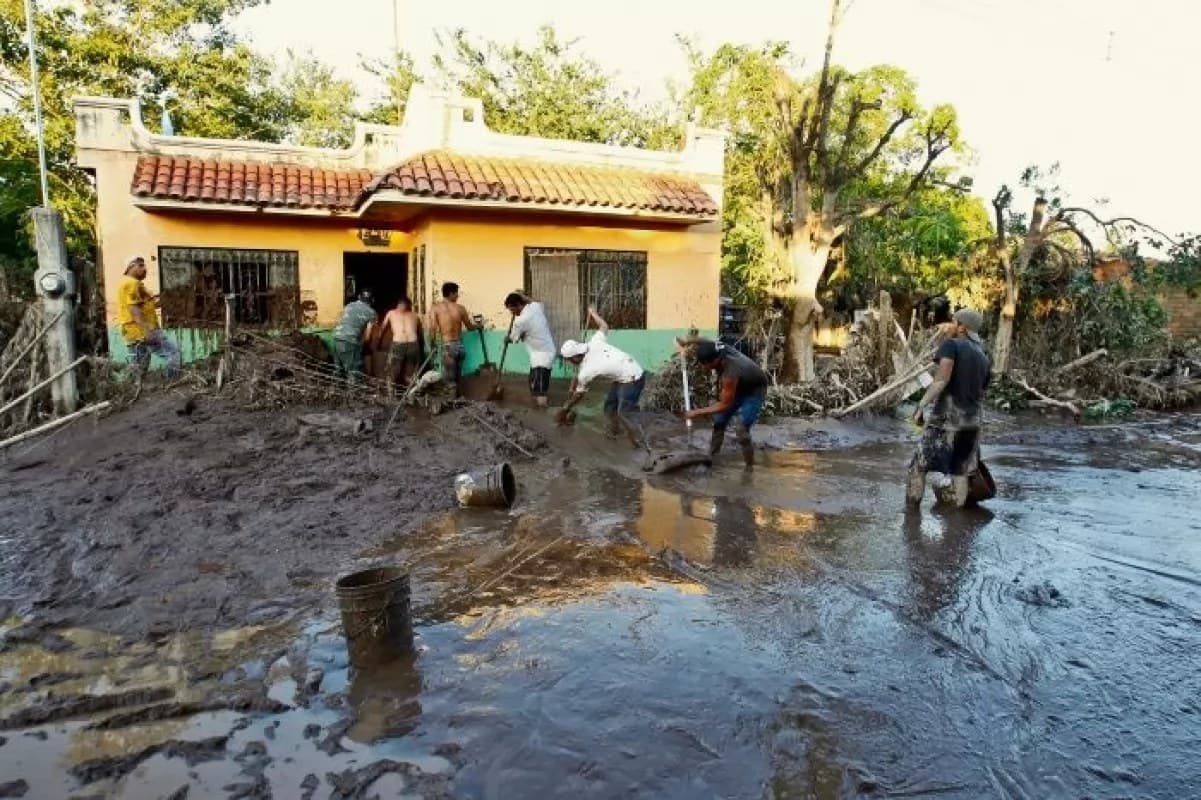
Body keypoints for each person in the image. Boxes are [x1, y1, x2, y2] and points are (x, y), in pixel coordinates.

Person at [907, 307, 993, 508]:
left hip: (947, 418)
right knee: (960, 472)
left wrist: (921, 406)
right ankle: (957, 528)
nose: (951, 326)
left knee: (918, 467)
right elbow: (982, 389)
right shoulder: (984, 355)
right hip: (972, 422)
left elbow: (941, 380)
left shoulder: (952, 345)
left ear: (962, 327)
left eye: (955, 322)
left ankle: (910, 519)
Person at [557, 306, 645, 447]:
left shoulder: (587, 371)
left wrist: (566, 407)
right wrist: (593, 314)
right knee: (609, 408)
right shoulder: (594, 342)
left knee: (624, 413)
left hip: (633, 377)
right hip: (624, 373)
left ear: (574, 357)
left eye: (567, 360)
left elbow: (578, 395)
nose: (567, 362)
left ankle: (639, 444)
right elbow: (604, 326)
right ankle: (614, 433)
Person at [677, 336, 768, 468]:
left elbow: (725, 404)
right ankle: (712, 457)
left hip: (754, 390)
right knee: (719, 421)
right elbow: (703, 340)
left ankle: (749, 468)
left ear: (716, 360)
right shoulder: (715, 347)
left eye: (705, 365)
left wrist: (696, 412)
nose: (703, 367)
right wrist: (687, 341)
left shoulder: (730, 373)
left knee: (741, 430)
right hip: (740, 383)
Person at [118, 255, 181, 379]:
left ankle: (134, 390)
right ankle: (172, 382)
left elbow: (143, 306)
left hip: (132, 332)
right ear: (131, 267)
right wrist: (148, 331)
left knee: (139, 367)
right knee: (173, 352)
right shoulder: (132, 283)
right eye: (140, 265)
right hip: (142, 330)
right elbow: (134, 309)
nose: (145, 268)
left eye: (144, 265)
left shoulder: (130, 284)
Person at [504, 291, 556, 407]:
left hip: (542, 355)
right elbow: (534, 301)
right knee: (534, 383)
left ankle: (542, 411)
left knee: (539, 387)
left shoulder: (521, 320)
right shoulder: (535, 307)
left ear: (518, 304)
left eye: (512, 310)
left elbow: (513, 339)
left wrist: (507, 339)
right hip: (543, 352)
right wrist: (523, 296)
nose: (512, 313)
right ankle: (537, 407)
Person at [427, 282, 479, 395]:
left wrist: (432, 346)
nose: (457, 296)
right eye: (456, 294)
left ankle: (452, 401)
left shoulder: (435, 308)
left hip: (448, 346)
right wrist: (479, 326)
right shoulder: (460, 308)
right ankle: (457, 397)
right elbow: (470, 327)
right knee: (457, 376)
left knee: (449, 378)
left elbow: (432, 329)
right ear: (451, 293)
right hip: (460, 347)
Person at [332, 289, 378, 384]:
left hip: (336, 337)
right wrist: (364, 348)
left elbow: (339, 320)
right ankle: (352, 396)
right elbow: (368, 336)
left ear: (359, 297)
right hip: (350, 341)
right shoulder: (371, 313)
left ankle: (334, 394)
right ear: (372, 300)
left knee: (338, 371)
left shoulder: (349, 305)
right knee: (353, 372)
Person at [381, 297, 422, 392]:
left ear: (398, 304)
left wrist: (379, 342)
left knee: (392, 371)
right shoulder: (415, 315)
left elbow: (383, 328)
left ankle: (391, 394)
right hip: (413, 343)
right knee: (410, 372)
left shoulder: (391, 313)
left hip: (399, 343)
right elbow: (420, 333)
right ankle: (410, 394)